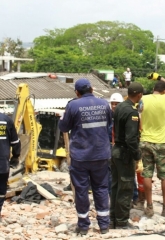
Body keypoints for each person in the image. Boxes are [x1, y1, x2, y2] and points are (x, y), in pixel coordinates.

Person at [59, 78, 111, 235]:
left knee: (81, 190)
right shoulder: (104, 104)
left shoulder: (73, 105)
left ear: (77, 92)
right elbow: (108, 125)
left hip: (80, 156)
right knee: (101, 188)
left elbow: (64, 127)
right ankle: (104, 225)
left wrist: (62, 117)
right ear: (92, 89)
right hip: (101, 155)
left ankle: (83, 225)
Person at [139, 73, 165, 217]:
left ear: (154, 89)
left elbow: (139, 114)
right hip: (161, 143)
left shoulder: (143, 98)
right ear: (164, 91)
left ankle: (149, 207)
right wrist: (160, 77)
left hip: (145, 141)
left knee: (147, 174)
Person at [110, 82, 143, 229]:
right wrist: (137, 156)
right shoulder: (132, 112)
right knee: (125, 187)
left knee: (115, 186)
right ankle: (122, 221)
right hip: (124, 154)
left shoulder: (120, 107)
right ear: (139, 95)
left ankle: (112, 219)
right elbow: (131, 138)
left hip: (116, 150)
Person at [0, 113, 20, 220]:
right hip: (3, 164)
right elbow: (15, 142)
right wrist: (15, 157)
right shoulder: (7, 120)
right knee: (1, 190)